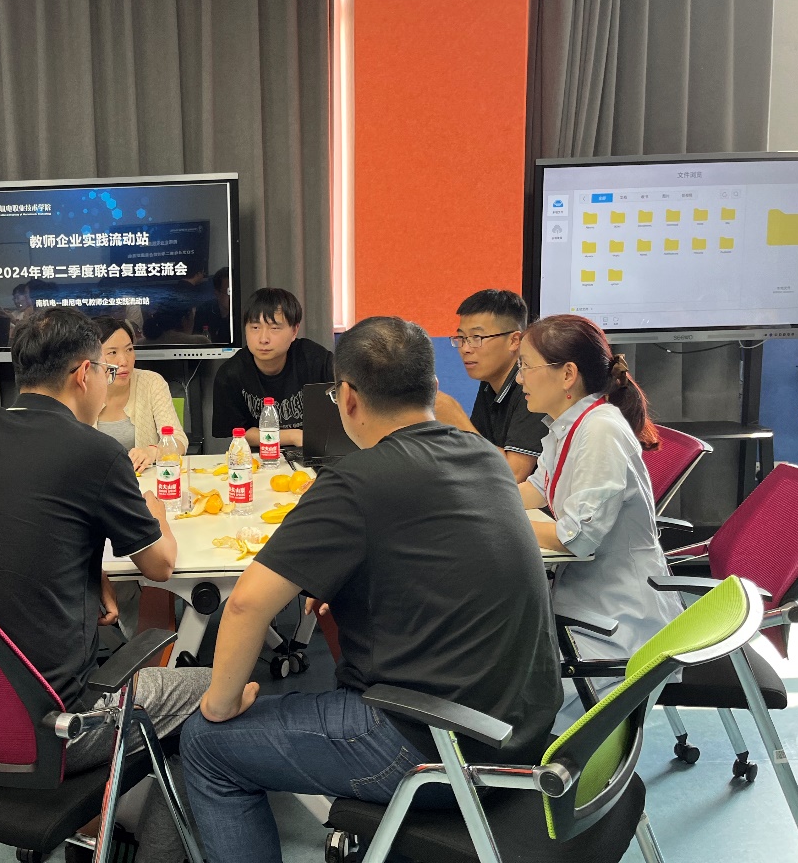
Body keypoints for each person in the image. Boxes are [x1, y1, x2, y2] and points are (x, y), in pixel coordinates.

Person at [181, 317, 562, 863]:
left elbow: (243, 604)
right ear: (433, 388)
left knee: (206, 743)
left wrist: (221, 704)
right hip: (523, 731)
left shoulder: (356, 478)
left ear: (347, 398)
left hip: (433, 743)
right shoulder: (485, 457)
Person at [0, 307, 211, 863]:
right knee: (215, 686)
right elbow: (160, 567)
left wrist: (90, 574)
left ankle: (97, 819)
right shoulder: (95, 451)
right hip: (60, 722)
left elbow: (24, 530)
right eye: (106, 370)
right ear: (84, 374)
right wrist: (155, 506)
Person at [514, 313, 684, 728]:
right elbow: (536, 489)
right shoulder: (572, 424)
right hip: (585, 599)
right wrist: (474, 505)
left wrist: (500, 524)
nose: (519, 379)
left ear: (567, 374)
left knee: (517, 692)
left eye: (526, 366)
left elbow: (576, 537)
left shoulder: (601, 430)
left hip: (615, 620)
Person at [211, 287, 334, 447]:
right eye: (255, 328)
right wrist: (293, 436)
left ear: (294, 331)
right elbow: (238, 432)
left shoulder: (316, 360)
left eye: (274, 328)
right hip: (259, 455)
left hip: (312, 451)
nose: (263, 339)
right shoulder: (231, 374)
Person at [446, 289, 548, 481]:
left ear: (514, 340)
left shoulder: (533, 386)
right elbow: (477, 456)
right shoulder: (489, 383)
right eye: (461, 338)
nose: (465, 349)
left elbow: (514, 473)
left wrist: (456, 420)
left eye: (477, 338)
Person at [95, 316, 188, 473]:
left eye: (129, 350)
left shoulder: (151, 383)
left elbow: (179, 441)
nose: (124, 361)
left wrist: (153, 452)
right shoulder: (79, 389)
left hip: (144, 481)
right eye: (112, 352)